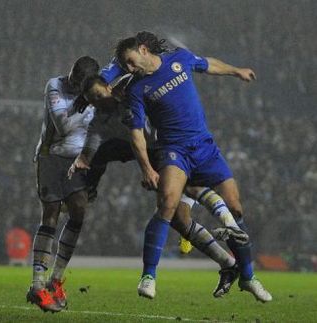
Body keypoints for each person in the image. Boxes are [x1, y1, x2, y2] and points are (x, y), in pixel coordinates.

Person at [112, 31, 271, 302]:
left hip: (205, 147)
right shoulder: (137, 89)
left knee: (235, 208)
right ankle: (149, 276)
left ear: (143, 50)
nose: (129, 68)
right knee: (167, 204)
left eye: (129, 61)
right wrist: (147, 169)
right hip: (175, 151)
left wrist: (235, 71)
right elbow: (136, 133)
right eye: (124, 66)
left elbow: (208, 64)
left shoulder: (180, 59)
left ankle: (247, 276)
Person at [70, 74, 246, 298]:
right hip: (157, 155)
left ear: (108, 86)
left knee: (190, 193)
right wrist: (81, 162)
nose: (97, 101)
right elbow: (91, 149)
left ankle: (234, 238)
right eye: (91, 99)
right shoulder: (100, 121)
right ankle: (229, 263)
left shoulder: (129, 91)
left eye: (98, 95)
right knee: (179, 220)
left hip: (177, 146)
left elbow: (145, 73)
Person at [26, 56, 99, 313]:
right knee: (51, 216)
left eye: (78, 81)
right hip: (51, 156)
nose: (72, 82)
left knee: (79, 211)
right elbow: (64, 125)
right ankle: (37, 286)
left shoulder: (93, 94)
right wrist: (90, 104)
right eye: (72, 75)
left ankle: (55, 279)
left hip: (77, 161)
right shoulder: (54, 86)